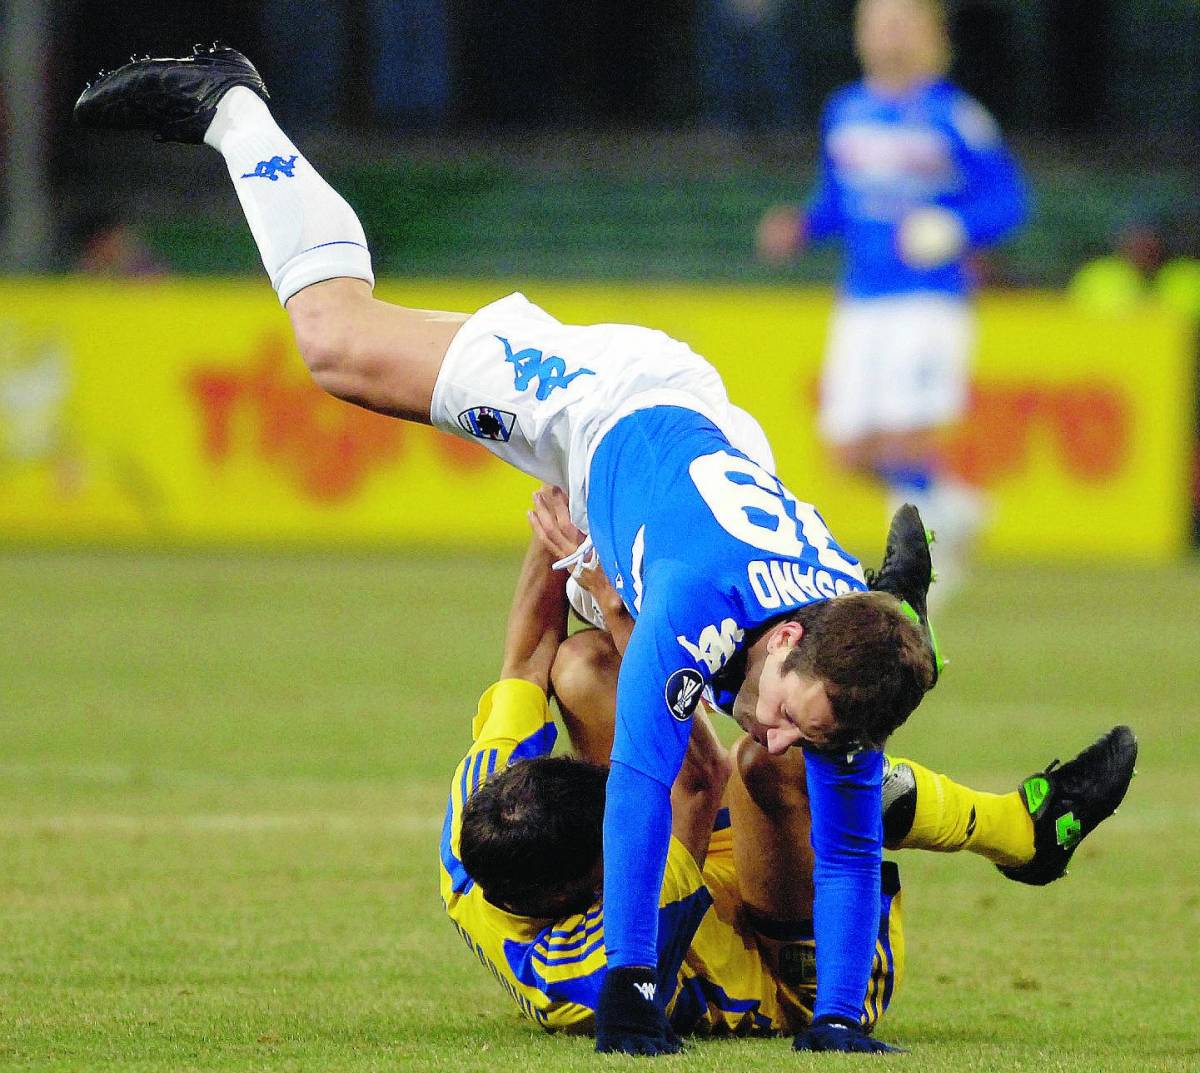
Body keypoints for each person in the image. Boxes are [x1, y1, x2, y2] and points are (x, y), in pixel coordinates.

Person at [77, 46, 978, 1056]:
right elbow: (645, 779)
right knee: (336, 345)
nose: (773, 734)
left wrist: (846, 1020)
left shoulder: (828, 680)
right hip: (608, 401)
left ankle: (908, 615)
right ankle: (231, 103)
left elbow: (852, 845)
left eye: (802, 731)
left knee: (780, 760)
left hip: (715, 488)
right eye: (778, 711)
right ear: (784, 647)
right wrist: (632, 981)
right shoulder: (696, 606)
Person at [441, 497, 1137, 1044]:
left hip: (703, 857)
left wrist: (565, 510)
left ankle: (860, 641)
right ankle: (1017, 826)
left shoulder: (489, 810)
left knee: (580, 667)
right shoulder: (576, 972)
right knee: (773, 760)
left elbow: (528, 655)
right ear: (584, 889)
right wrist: (622, 605)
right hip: (782, 968)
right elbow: (692, 780)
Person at [757, 0, 1029, 600]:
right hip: (862, 297)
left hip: (928, 299)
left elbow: (1010, 200)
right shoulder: (846, 111)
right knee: (847, 447)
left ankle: (921, 557)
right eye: (878, 23)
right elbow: (837, 198)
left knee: (910, 434)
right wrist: (802, 226)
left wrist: (954, 228)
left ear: (933, 35)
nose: (889, 36)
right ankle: (952, 508)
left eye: (903, 23)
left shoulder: (954, 115)